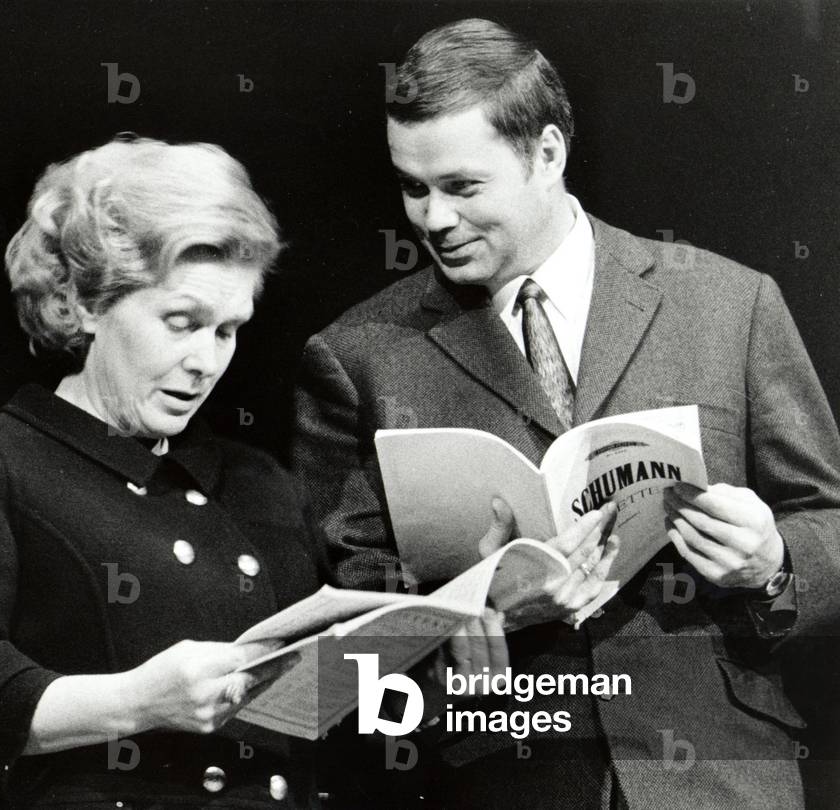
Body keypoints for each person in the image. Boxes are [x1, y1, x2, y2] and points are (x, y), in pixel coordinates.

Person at [293, 18, 840, 810]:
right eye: (413, 188)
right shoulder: (359, 356)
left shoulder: (729, 304)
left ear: (548, 152)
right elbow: (353, 630)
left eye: (462, 186)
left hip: (720, 777)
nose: (432, 220)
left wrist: (774, 563)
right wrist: (477, 619)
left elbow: (828, 516)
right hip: (504, 777)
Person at [0, 135, 331, 808]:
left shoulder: (256, 480)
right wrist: (135, 702)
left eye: (227, 331)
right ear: (89, 304)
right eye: (181, 322)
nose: (206, 362)